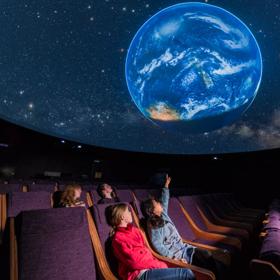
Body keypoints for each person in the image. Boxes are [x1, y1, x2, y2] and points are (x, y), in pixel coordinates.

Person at [142, 175, 226, 280]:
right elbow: (158, 246)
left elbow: (164, 201)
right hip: (177, 255)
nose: (160, 203)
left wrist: (166, 187)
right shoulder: (152, 225)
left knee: (207, 256)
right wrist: (175, 258)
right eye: (156, 203)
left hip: (184, 248)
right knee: (206, 262)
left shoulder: (162, 215)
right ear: (153, 210)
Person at [106, 203, 196, 280]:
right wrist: (162, 265)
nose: (130, 213)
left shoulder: (135, 230)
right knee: (186, 274)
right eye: (128, 211)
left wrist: (172, 262)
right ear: (122, 217)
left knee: (184, 268)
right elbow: (135, 262)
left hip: (150, 268)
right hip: (138, 274)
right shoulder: (118, 239)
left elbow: (148, 253)